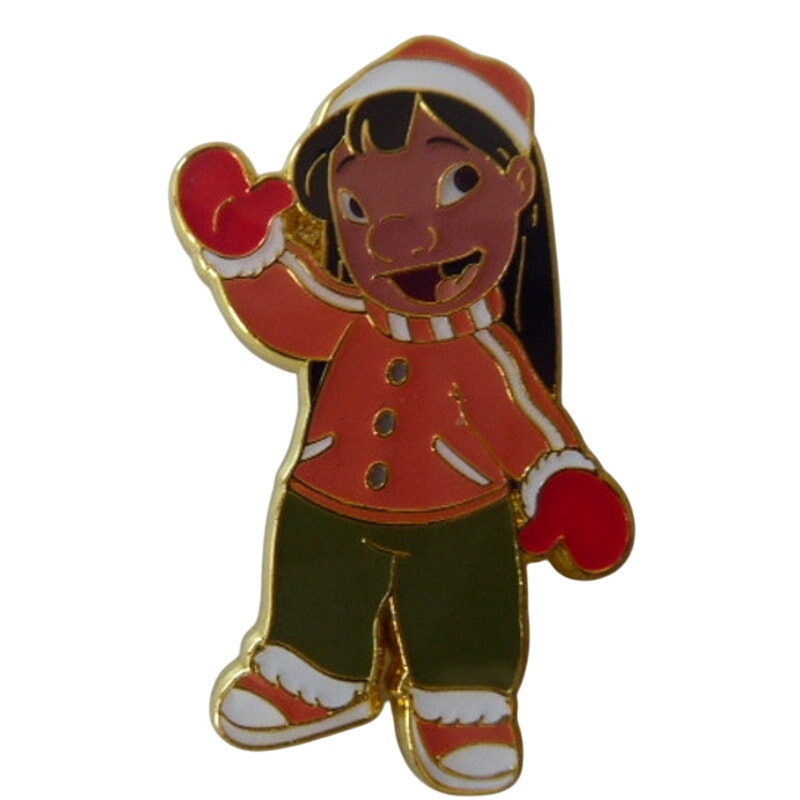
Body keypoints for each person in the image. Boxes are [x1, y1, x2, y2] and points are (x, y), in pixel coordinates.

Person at [172, 37, 633, 794]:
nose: (402, 233)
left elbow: (523, 423)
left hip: (458, 519)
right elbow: (288, 313)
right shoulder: (350, 319)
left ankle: (464, 705)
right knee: (316, 598)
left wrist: (563, 483)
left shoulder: (485, 354)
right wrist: (244, 251)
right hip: (327, 502)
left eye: (456, 184)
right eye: (359, 207)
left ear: (517, 185)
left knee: (463, 611)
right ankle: (313, 676)